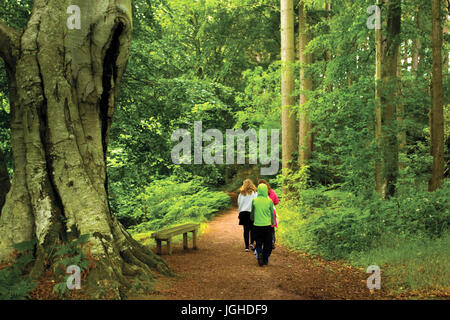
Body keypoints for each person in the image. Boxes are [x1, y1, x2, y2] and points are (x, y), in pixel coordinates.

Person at [251, 183, 274, 266]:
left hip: (257, 226)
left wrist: (252, 219)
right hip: (267, 226)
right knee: (268, 244)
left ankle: (259, 253)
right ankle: (265, 258)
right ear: (266, 191)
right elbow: (272, 213)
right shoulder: (269, 201)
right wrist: (273, 222)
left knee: (258, 242)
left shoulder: (254, 201)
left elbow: (252, 213)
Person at [258, 179, 279, 249]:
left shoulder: (259, 194)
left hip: (262, 212)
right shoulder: (272, 192)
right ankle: (272, 241)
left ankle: (262, 243)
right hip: (271, 212)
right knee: (271, 227)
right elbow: (276, 201)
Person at [237, 179, 257, 252]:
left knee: (245, 230)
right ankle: (251, 243)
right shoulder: (254, 193)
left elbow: (239, 204)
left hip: (243, 213)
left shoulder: (241, 194)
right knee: (252, 229)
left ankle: (246, 247)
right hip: (251, 213)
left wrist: (239, 213)